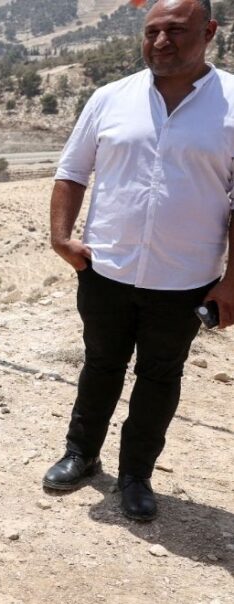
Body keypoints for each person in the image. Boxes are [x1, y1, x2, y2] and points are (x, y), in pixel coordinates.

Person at [42, 0, 234, 522]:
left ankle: (136, 476)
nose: (161, 42)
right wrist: (61, 238)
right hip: (106, 268)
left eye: (176, 30)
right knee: (100, 363)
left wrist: (231, 282)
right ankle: (81, 454)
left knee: (159, 375)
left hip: (186, 277)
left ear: (209, 32)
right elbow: (72, 171)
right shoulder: (110, 98)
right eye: (152, 32)